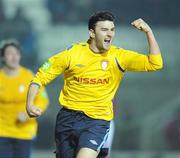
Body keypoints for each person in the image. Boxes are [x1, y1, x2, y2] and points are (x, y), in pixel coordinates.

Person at [26, 11, 163, 158]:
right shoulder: (72, 54)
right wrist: (29, 104)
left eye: (112, 29)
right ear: (92, 32)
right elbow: (39, 77)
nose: (109, 34)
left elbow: (155, 63)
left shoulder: (119, 56)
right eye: (104, 30)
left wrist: (148, 32)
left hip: (97, 122)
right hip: (67, 119)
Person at [0, 39, 49, 158]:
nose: (14, 57)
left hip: (25, 132)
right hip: (2, 131)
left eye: (16, 53)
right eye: (10, 53)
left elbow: (43, 100)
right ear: (3, 57)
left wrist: (28, 114)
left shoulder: (29, 76)